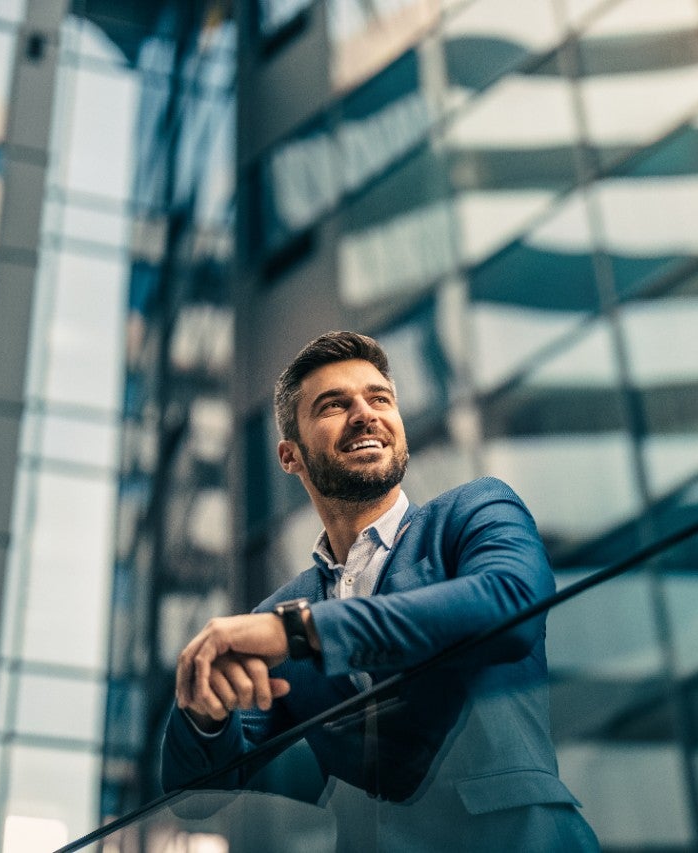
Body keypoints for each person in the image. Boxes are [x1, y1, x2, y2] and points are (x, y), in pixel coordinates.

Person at [162, 331, 598, 850]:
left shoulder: (476, 510)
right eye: (334, 405)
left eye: (380, 399)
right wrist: (204, 712)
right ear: (290, 455)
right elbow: (197, 798)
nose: (365, 414)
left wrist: (304, 633)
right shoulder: (277, 613)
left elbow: (510, 605)